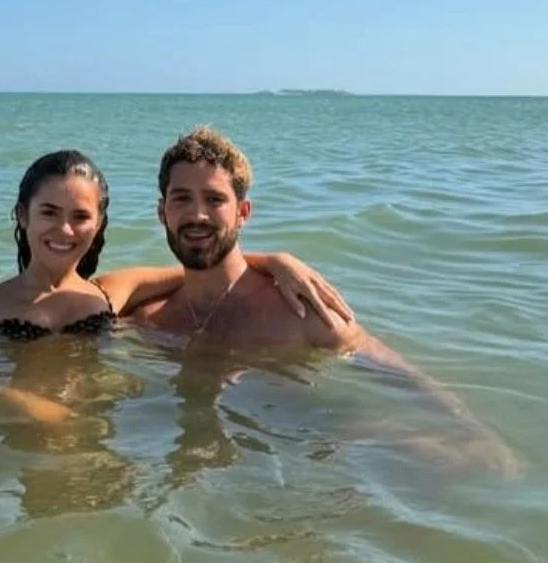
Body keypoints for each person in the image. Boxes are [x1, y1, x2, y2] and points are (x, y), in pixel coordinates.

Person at [124, 125, 524, 478]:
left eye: (214, 200)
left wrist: (474, 431)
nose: (197, 215)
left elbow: (398, 375)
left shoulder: (299, 308)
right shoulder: (148, 319)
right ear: (162, 212)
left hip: (308, 459)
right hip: (199, 474)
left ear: (243, 212)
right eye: (181, 199)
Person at [0, 148, 352, 422]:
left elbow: (206, 265)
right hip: (15, 442)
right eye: (49, 212)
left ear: (98, 225)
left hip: (96, 436)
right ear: (23, 216)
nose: (64, 229)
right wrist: (19, 402)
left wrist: (277, 261)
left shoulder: (110, 292)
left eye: (80, 216)